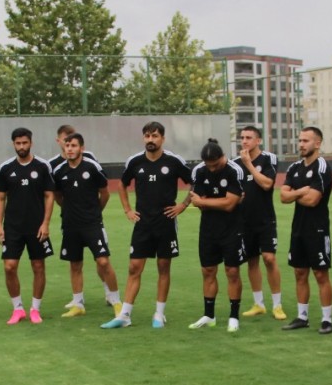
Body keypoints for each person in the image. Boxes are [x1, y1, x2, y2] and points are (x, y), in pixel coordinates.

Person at [104, 121, 191, 329]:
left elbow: (195, 182)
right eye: (147, 136)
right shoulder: (135, 162)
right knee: (134, 267)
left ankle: (159, 314)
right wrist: (127, 209)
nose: (150, 140)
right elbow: (122, 185)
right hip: (143, 224)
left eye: (155, 136)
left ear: (163, 138)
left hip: (166, 222)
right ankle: (125, 315)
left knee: (163, 266)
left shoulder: (174, 161)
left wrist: (183, 205)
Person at [51, 133, 121, 318]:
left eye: (73, 146)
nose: (70, 149)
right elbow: (57, 195)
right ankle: (78, 304)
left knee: (103, 261)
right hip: (70, 225)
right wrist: (68, 209)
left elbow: (105, 193)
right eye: (67, 146)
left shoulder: (92, 167)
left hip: (92, 224)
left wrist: (95, 212)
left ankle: (117, 302)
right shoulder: (59, 171)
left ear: (81, 148)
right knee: (75, 264)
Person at [0, 127, 55, 325]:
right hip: (13, 227)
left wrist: (46, 223)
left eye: (25, 143)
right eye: (18, 143)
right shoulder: (6, 168)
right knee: (9, 267)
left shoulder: (42, 166)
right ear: (13, 144)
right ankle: (18, 308)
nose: (21, 146)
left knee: (38, 266)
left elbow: (49, 195)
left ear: (31, 143)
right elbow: (0, 198)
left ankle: (35, 309)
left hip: (37, 227)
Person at [185, 139, 247, 331]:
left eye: (216, 164)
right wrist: (220, 201)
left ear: (223, 157)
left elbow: (229, 205)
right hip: (208, 229)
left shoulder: (235, 170)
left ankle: (234, 316)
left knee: (232, 271)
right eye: (208, 165)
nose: (212, 169)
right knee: (208, 271)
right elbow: (198, 202)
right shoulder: (199, 171)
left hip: (232, 228)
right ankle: (209, 315)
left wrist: (207, 202)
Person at [280, 126, 332, 334]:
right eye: (300, 140)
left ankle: (327, 320)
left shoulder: (322, 167)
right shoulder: (294, 167)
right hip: (298, 228)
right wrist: (301, 191)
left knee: (321, 274)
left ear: (317, 143)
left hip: (317, 229)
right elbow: (282, 196)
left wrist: (294, 193)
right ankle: (302, 317)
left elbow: (313, 200)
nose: (301, 144)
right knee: (299, 272)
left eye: (306, 141)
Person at [236, 125, 285, 321]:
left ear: (258, 141)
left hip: (265, 219)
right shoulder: (235, 164)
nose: (244, 141)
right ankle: (259, 304)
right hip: (244, 221)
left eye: (249, 137)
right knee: (252, 261)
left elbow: (267, 184)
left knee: (269, 259)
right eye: (242, 137)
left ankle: (277, 305)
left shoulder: (268, 159)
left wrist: (248, 164)